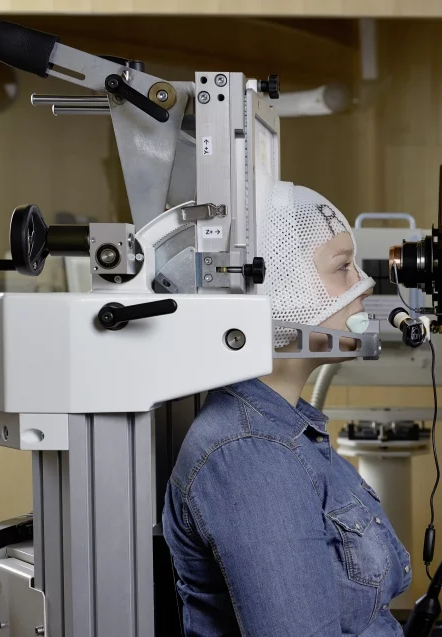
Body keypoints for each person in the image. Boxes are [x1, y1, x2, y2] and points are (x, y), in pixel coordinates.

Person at [163, 181, 411, 637]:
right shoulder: (250, 455)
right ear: (279, 285)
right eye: (343, 268)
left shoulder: (285, 426)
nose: (364, 284)